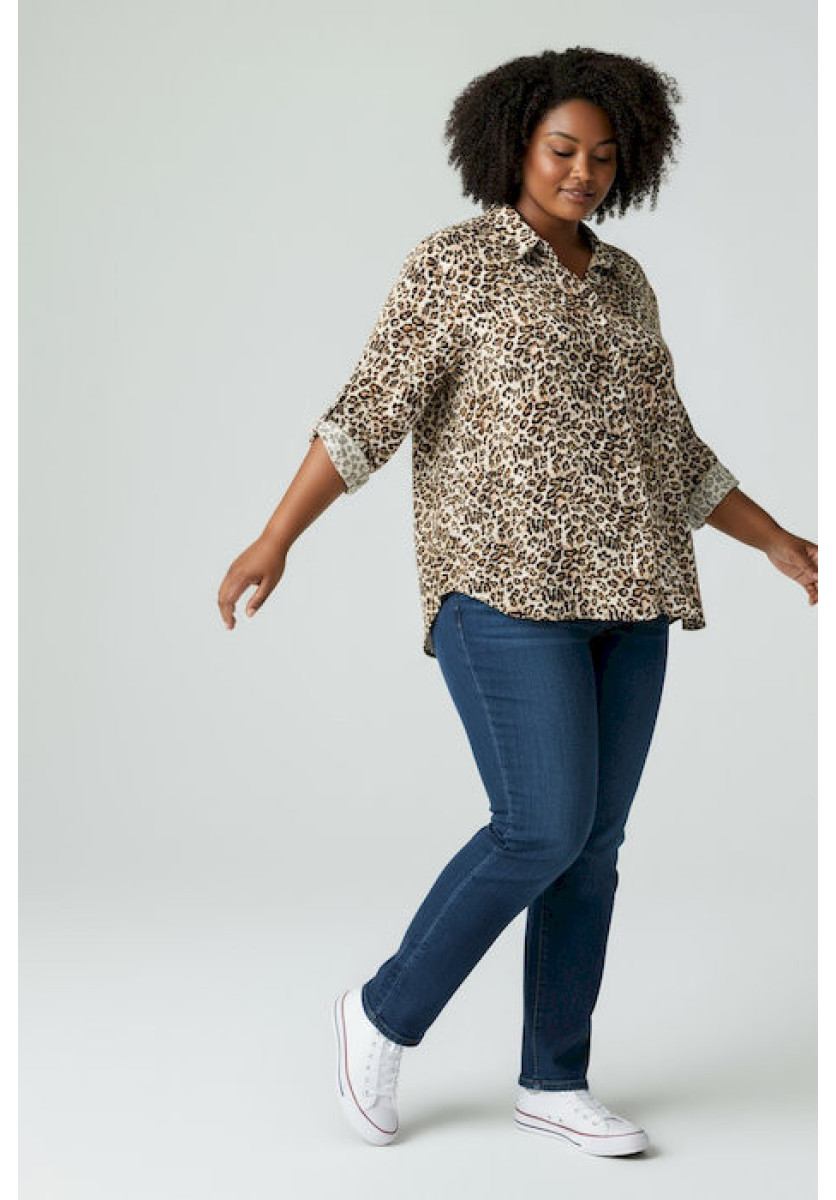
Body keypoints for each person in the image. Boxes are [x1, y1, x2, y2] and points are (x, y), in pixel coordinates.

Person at [217, 47, 818, 1156]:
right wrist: (274, 537)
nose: (581, 172)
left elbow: (671, 450)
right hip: (499, 589)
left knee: (591, 843)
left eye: (603, 156)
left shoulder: (625, 282)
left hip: (631, 591)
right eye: (560, 150)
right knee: (540, 823)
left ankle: (554, 1078)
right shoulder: (457, 265)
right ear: (513, 147)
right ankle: (381, 1012)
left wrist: (775, 538)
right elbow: (367, 414)